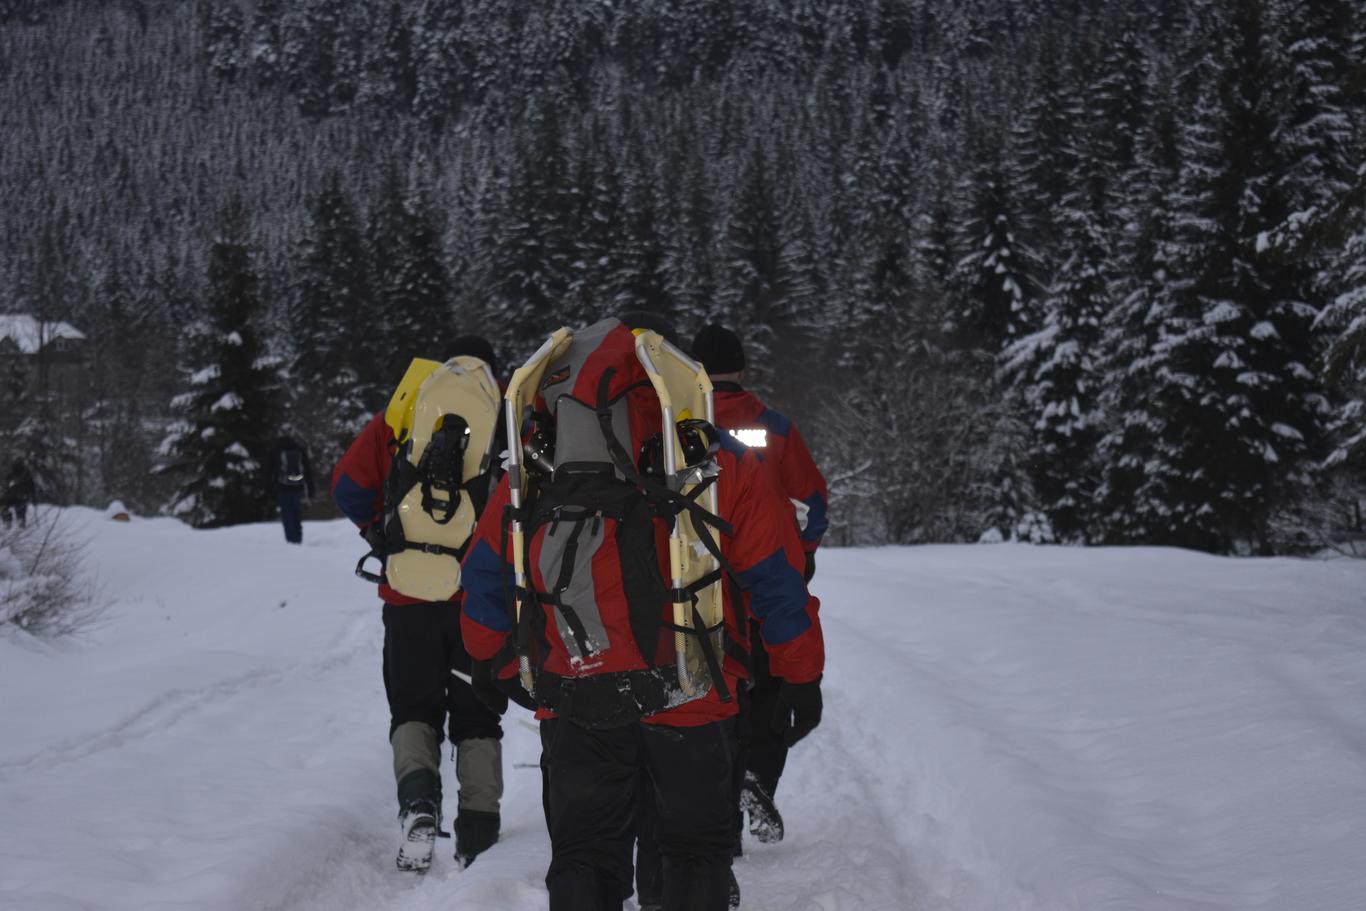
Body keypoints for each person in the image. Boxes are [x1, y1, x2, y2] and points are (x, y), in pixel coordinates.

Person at [459, 318, 825, 911]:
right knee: (692, 851)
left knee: (584, 856)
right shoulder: (716, 458)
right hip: (692, 686)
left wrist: (489, 660)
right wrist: (800, 674)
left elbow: (482, 577)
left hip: (575, 690)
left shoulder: (533, 471)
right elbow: (776, 582)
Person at [330, 335, 507, 872]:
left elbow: (347, 486)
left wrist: (383, 537)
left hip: (407, 595)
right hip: (479, 599)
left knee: (412, 708)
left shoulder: (404, 414)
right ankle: (478, 835)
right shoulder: (505, 419)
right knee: (478, 715)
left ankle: (418, 806)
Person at [689, 323, 829, 851]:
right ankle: (758, 780)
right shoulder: (774, 427)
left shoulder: (678, 423)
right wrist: (803, 553)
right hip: (766, 579)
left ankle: (721, 822)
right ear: (743, 369)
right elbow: (813, 501)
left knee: (714, 702)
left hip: (697, 588)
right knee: (772, 694)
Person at [268, 434, 313, 544]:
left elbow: (269, 471)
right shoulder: (299, 450)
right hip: (299, 487)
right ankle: (298, 539)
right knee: (297, 514)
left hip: (283, 488)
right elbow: (307, 470)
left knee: (287, 516)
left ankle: (290, 541)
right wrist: (311, 489)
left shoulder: (276, 451)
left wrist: (270, 490)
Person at [1, 457, 35, 529]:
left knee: (4, 505)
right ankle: (18, 523)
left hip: (15, 497)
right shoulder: (26, 474)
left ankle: (8, 521)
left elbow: (6, 487)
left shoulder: (12, 474)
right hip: (22, 497)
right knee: (19, 510)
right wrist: (32, 496)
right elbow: (32, 487)